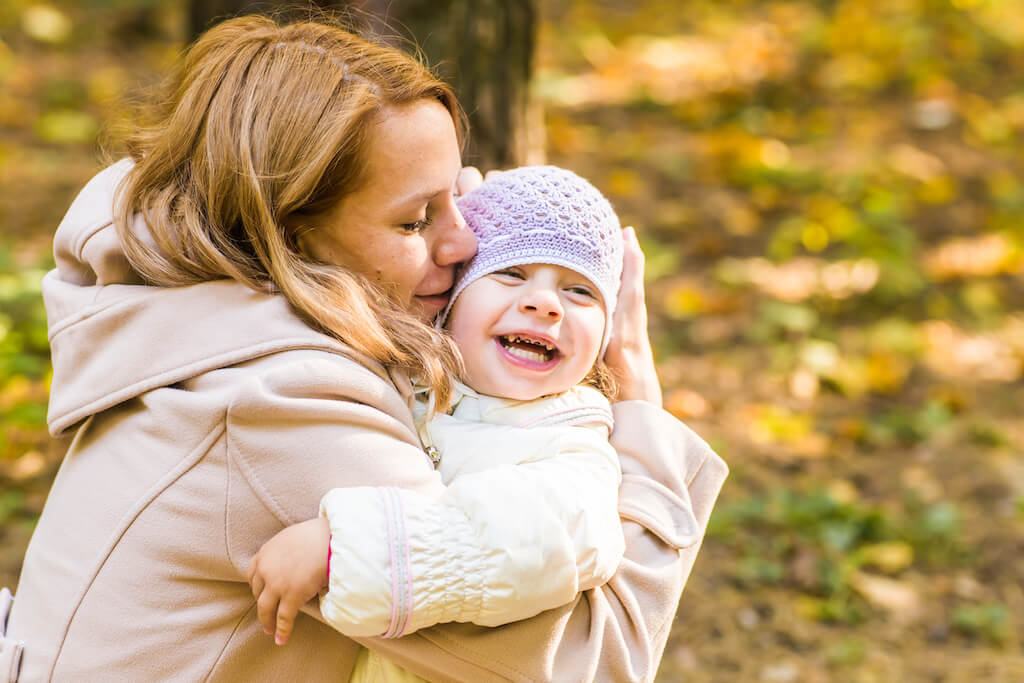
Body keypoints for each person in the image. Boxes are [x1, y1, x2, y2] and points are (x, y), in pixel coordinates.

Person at [3, 14, 727, 683]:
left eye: (458, 200)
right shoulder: (283, 406)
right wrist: (641, 415)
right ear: (293, 232)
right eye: (418, 220)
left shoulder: (201, 303)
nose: (466, 243)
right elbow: (592, 660)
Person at [248, 167, 696, 683]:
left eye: (579, 291)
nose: (544, 303)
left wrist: (341, 547)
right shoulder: (408, 384)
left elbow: (527, 540)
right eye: (509, 273)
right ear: (450, 301)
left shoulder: (574, 447)